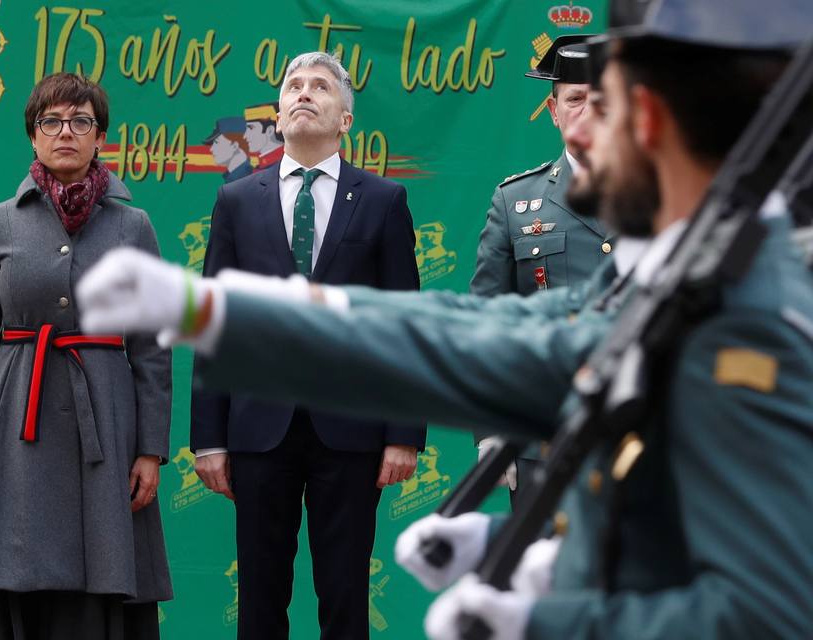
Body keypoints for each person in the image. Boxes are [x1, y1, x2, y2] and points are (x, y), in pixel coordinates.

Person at [77, 0, 813, 636]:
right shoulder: (686, 278)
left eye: (602, 108)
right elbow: (478, 337)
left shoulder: (740, 322)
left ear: (647, 119)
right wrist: (218, 311)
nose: (577, 135)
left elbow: (762, 613)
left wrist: (541, 619)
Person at [189, 51, 426, 640]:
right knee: (261, 598)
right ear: (277, 112)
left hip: (350, 430)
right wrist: (209, 438)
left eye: (320, 87)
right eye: (293, 86)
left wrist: (403, 432)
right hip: (256, 428)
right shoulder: (237, 200)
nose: (304, 93)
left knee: (345, 595)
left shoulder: (383, 200)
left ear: (345, 118)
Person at [0, 72, 173, 639]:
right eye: (51, 121)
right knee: (22, 571)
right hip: (15, 421)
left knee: (107, 568)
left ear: (101, 137)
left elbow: (150, 348)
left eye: (81, 122)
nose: (65, 132)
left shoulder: (133, 226)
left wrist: (150, 451)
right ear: (33, 136)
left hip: (109, 420)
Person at [470, 35, 612, 501]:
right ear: (553, 111)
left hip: (640, 433)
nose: (586, 110)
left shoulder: (663, 195)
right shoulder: (514, 202)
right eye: (574, 99)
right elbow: (488, 321)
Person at [204, 116, 254, 183]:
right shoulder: (234, 176)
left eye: (216, 142)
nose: (211, 149)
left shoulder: (245, 179)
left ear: (234, 146)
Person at [243, 101, 285, 170]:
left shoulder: (282, 163)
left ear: (269, 131)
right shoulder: (258, 162)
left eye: (251, 128)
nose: (245, 136)